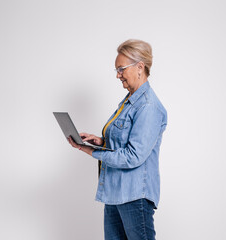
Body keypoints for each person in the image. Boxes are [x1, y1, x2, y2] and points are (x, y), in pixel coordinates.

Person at [67, 39, 167, 240]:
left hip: (134, 196)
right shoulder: (129, 101)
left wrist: (90, 151)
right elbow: (124, 141)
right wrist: (100, 141)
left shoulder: (148, 107)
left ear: (140, 67)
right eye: (116, 70)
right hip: (115, 194)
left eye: (121, 69)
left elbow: (133, 156)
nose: (118, 75)